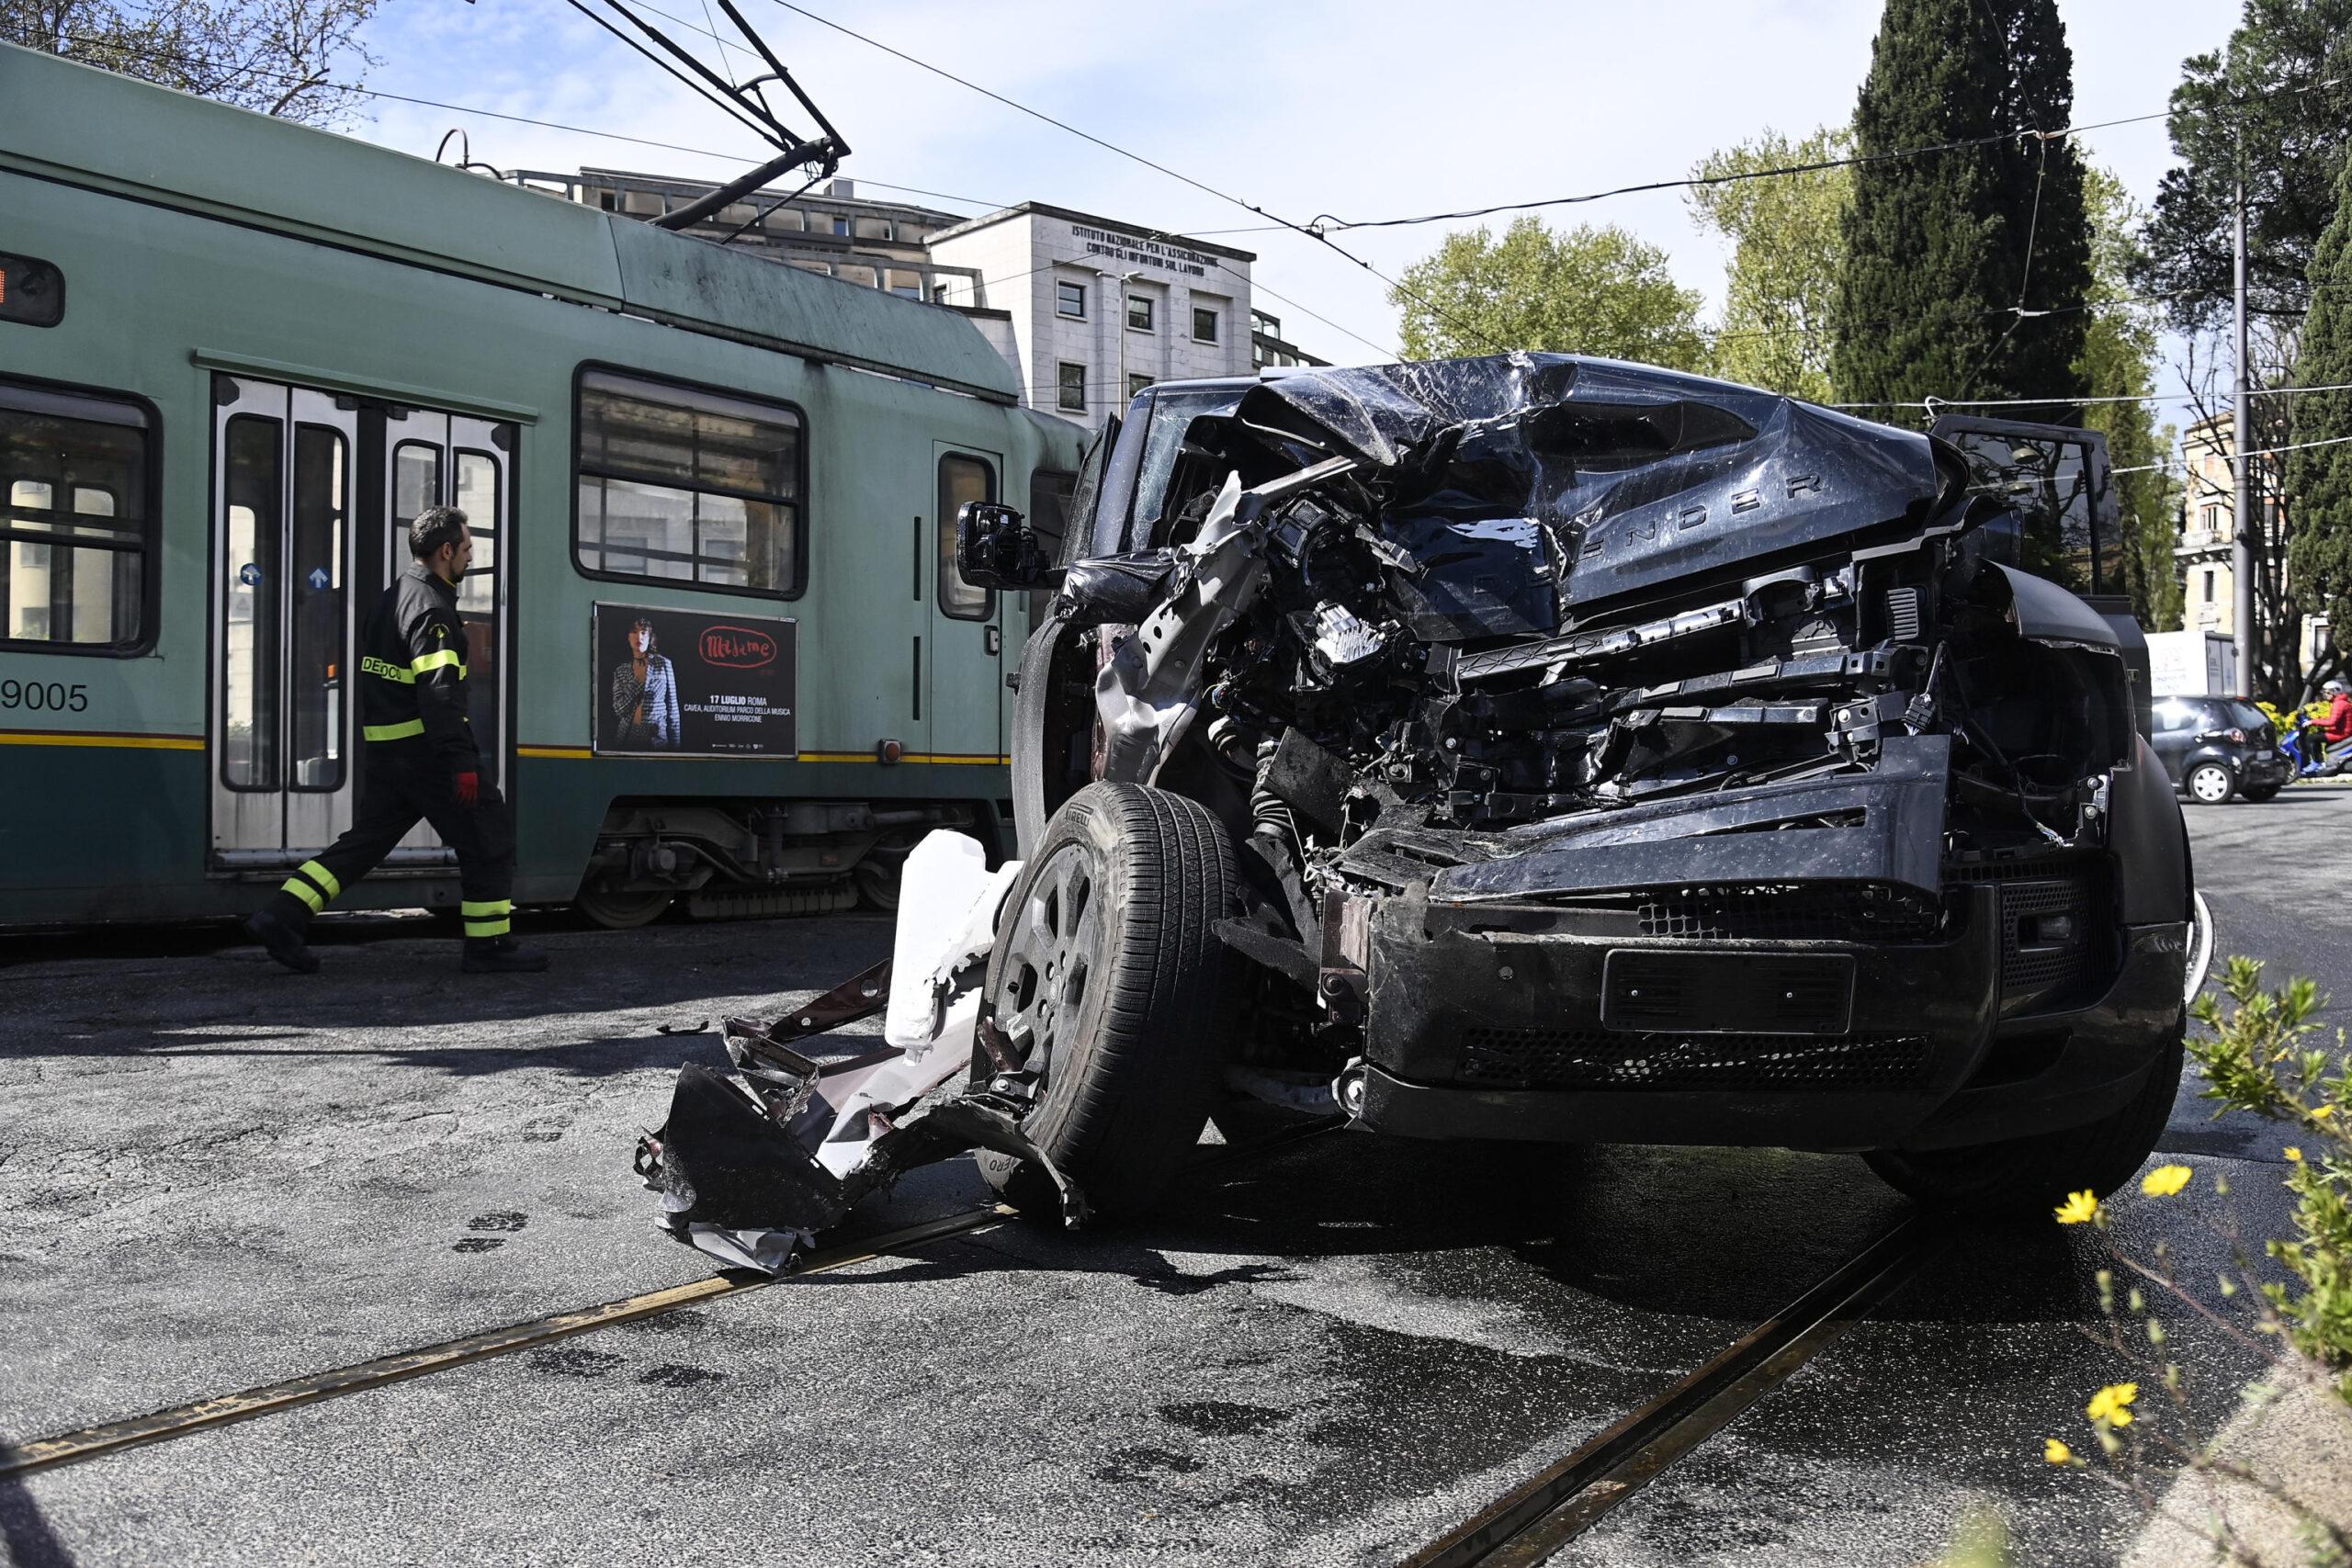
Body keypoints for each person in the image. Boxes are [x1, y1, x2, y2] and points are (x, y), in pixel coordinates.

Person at [245, 506, 547, 975]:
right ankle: (488, 947)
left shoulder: (392, 598)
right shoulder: (432, 609)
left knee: (365, 843)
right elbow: (440, 692)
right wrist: (461, 761)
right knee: (489, 836)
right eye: (467, 548)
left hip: (387, 753)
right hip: (427, 753)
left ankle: (283, 915)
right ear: (446, 552)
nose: (470, 557)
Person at [609, 616, 680, 750]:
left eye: (643, 632)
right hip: (628, 737)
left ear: (649, 637)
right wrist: (637, 681)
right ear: (628, 637)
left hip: (656, 736)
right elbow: (619, 710)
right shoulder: (621, 671)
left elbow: (673, 710)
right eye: (634, 632)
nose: (639, 637)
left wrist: (677, 749)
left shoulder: (663, 664)